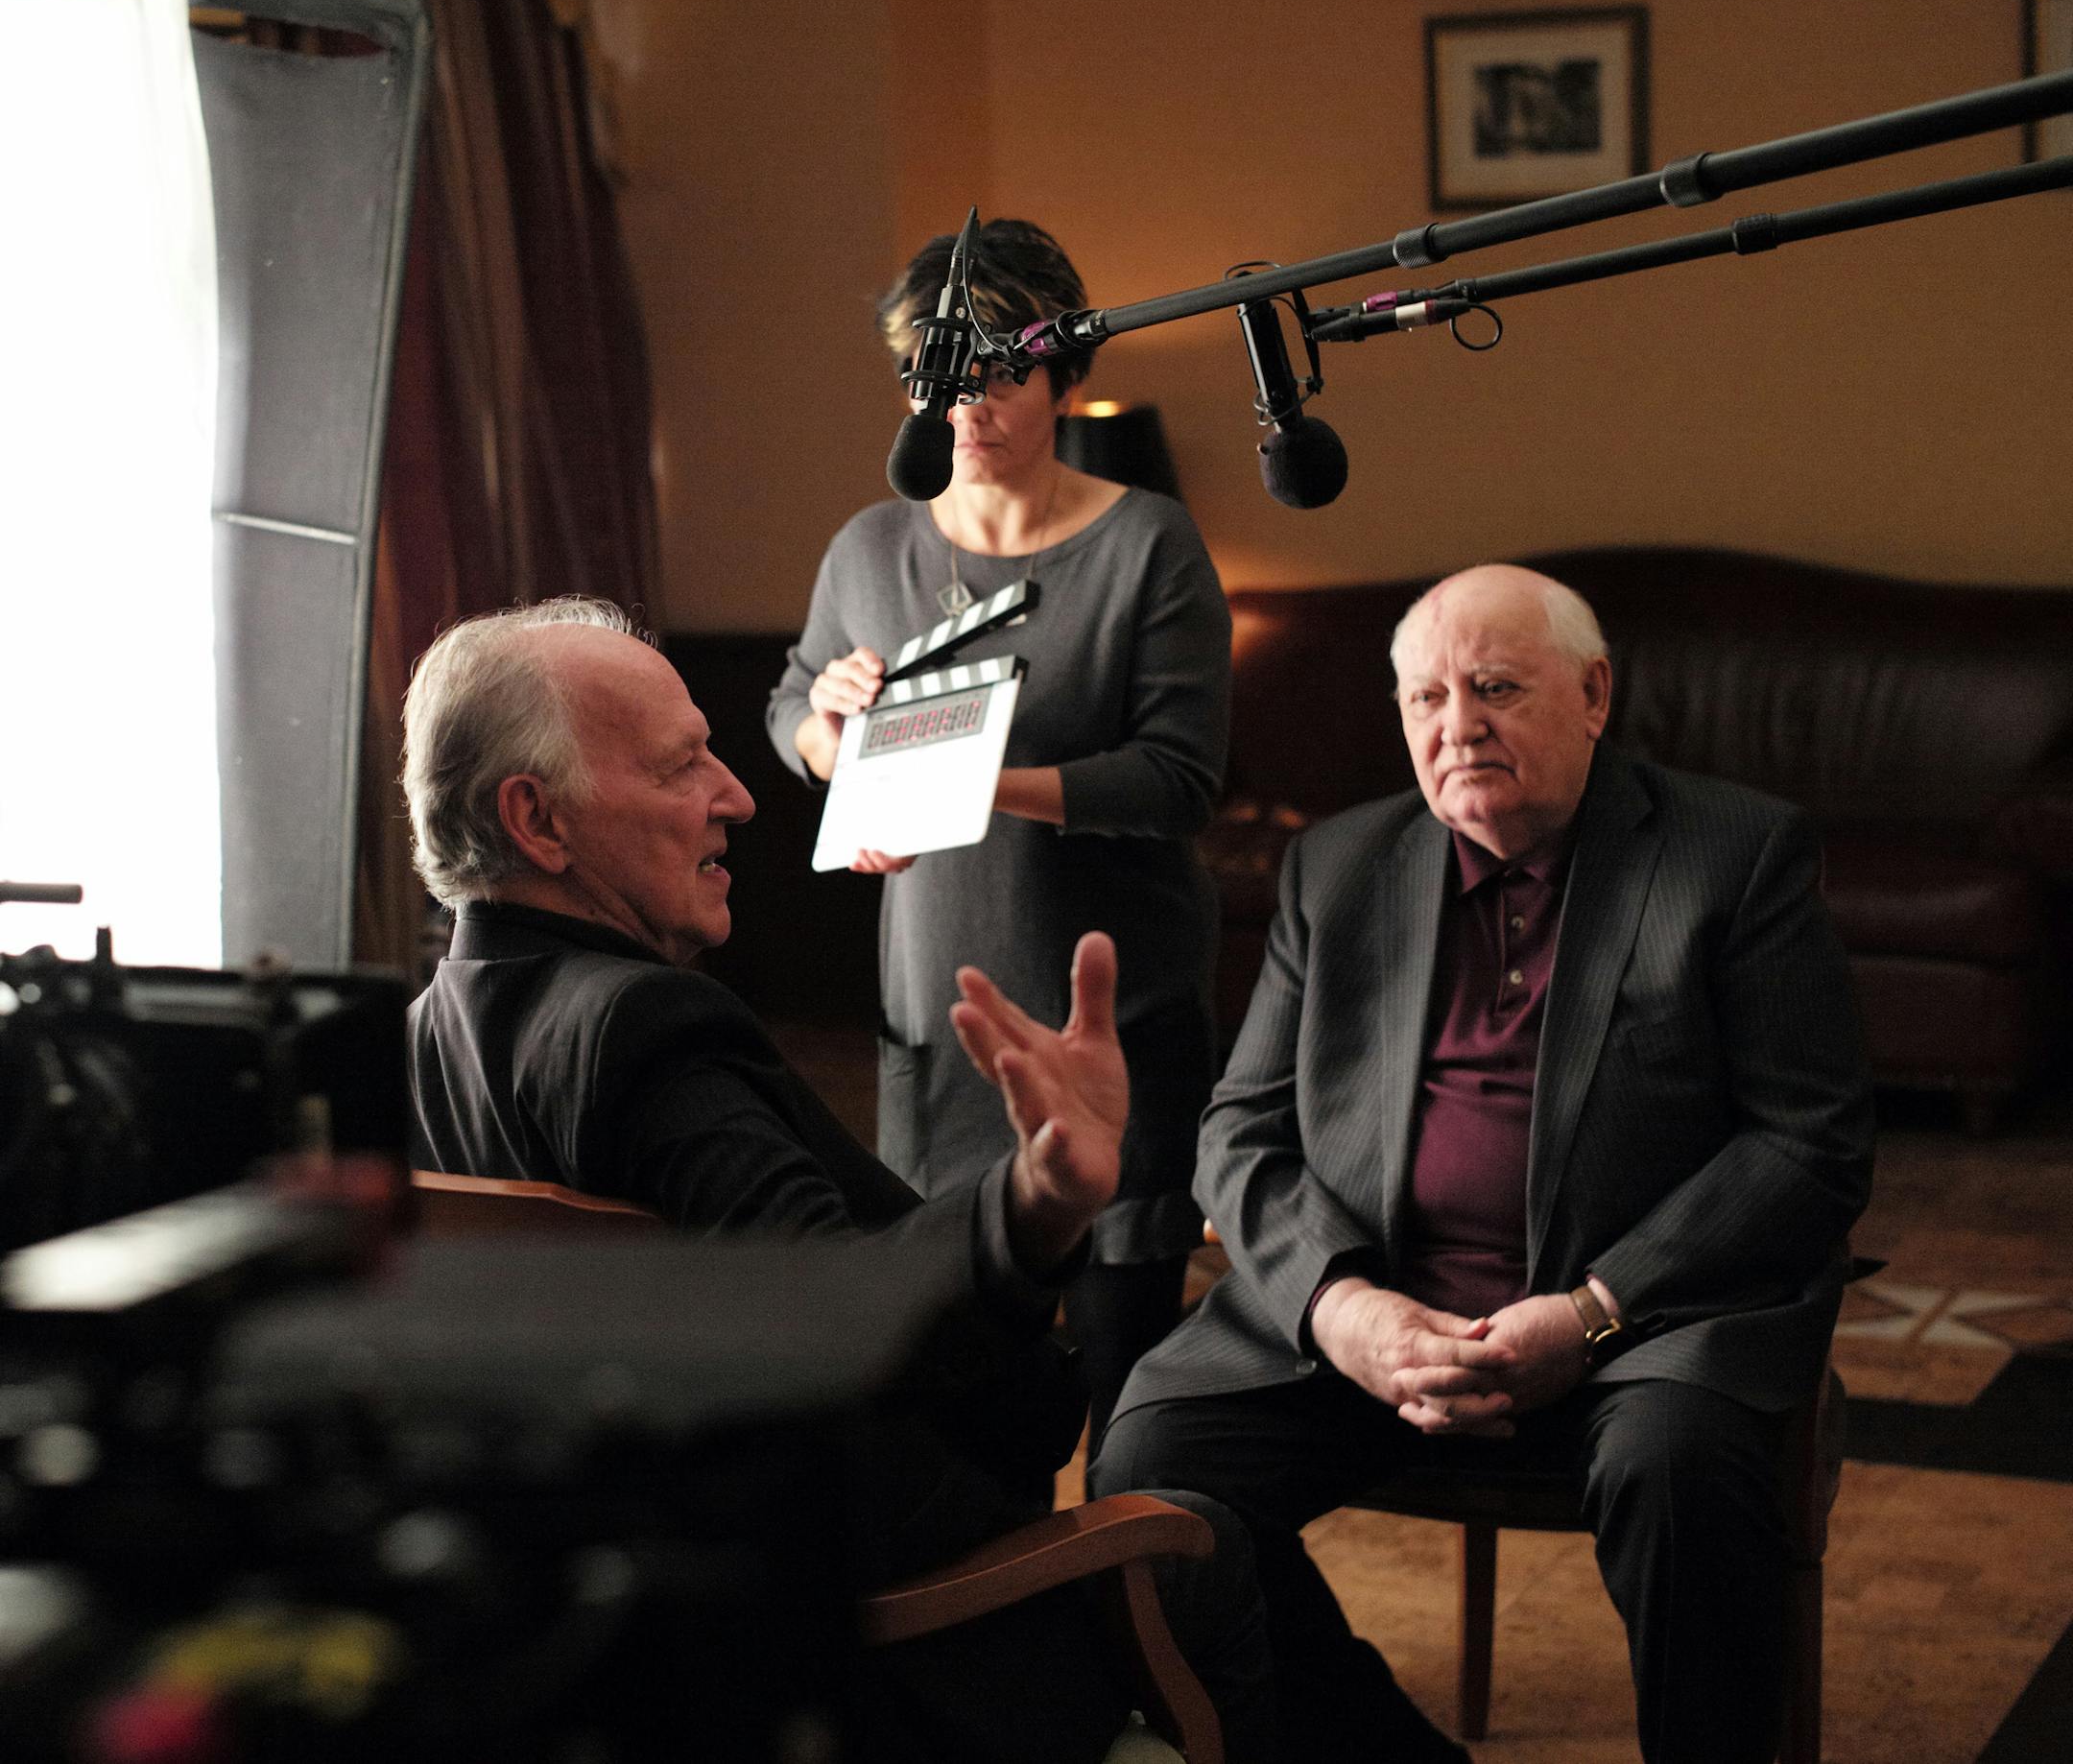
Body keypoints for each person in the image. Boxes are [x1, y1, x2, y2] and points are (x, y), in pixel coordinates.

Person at [400, 596, 1275, 1764]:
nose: (738, 794)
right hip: (876, 1648)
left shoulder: (416, 1037)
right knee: (1207, 1545)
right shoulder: (644, 1032)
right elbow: (848, 1327)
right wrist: (1036, 1202)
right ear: (536, 818)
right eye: (681, 765)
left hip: (636, 1650)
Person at [1091, 563, 1876, 1764]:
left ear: (1595, 694)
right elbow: (1240, 1128)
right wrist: (1342, 1307)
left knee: (1681, 1471)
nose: (1457, 725)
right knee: (1146, 1471)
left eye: (1497, 688)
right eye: (1427, 697)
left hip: (1638, 1332)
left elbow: (1809, 1141)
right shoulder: (1338, 867)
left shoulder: (1733, 854)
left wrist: (1593, 1311)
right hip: (1383, 1323)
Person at [766, 218, 1231, 1452]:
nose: (962, 406)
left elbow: (1179, 781)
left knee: (1130, 1398)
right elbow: (789, 705)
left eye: (997, 375)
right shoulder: (869, 547)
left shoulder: (1148, 544)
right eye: (934, 375)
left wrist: (969, 784)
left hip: (1111, 1024)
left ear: (1066, 378)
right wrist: (831, 737)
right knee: (955, 1391)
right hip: (940, 1017)